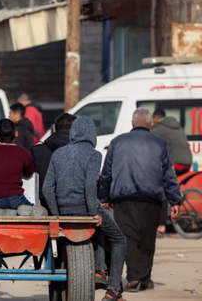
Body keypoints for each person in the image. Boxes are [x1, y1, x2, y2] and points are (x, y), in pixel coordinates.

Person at [42, 116, 127, 300]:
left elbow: (47, 188)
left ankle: (98, 271)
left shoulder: (58, 153)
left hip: (63, 211)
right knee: (119, 239)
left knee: (99, 231)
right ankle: (113, 289)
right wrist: (92, 214)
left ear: (73, 133)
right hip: (85, 208)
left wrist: (57, 214)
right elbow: (90, 185)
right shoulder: (94, 154)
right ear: (92, 134)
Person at [99, 108, 183, 293]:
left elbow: (107, 173)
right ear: (150, 124)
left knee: (128, 236)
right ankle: (144, 277)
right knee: (147, 238)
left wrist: (103, 197)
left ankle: (134, 276)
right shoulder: (161, 143)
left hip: (123, 198)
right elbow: (169, 175)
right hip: (152, 198)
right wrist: (176, 200)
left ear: (132, 123)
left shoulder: (117, 142)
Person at [151, 108, 194, 236]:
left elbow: (148, 141)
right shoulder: (177, 126)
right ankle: (178, 196)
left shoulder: (158, 128)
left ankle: (162, 225)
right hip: (187, 162)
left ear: (156, 118)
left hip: (175, 162)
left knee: (162, 188)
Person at [0, 119, 34, 210]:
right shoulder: (22, 152)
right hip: (16, 198)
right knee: (35, 209)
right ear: (16, 134)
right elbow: (29, 172)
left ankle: (2, 211)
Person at [30, 113, 76, 205]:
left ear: (54, 130)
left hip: (42, 203)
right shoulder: (82, 152)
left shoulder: (37, 151)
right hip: (74, 205)